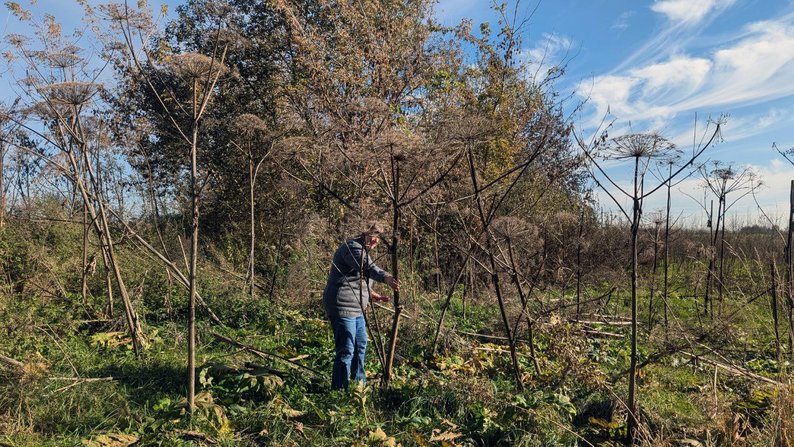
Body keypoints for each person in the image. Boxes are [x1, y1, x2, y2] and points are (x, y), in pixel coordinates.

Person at [322, 222, 399, 390]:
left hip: (357, 309)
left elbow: (357, 280)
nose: (376, 241)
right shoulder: (352, 247)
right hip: (342, 306)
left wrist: (371, 295)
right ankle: (340, 391)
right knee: (347, 349)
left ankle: (359, 387)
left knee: (360, 345)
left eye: (379, 238)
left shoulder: (363, 251)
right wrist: (386, 277)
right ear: (364, 232)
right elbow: (366, 268)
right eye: (374, 236)